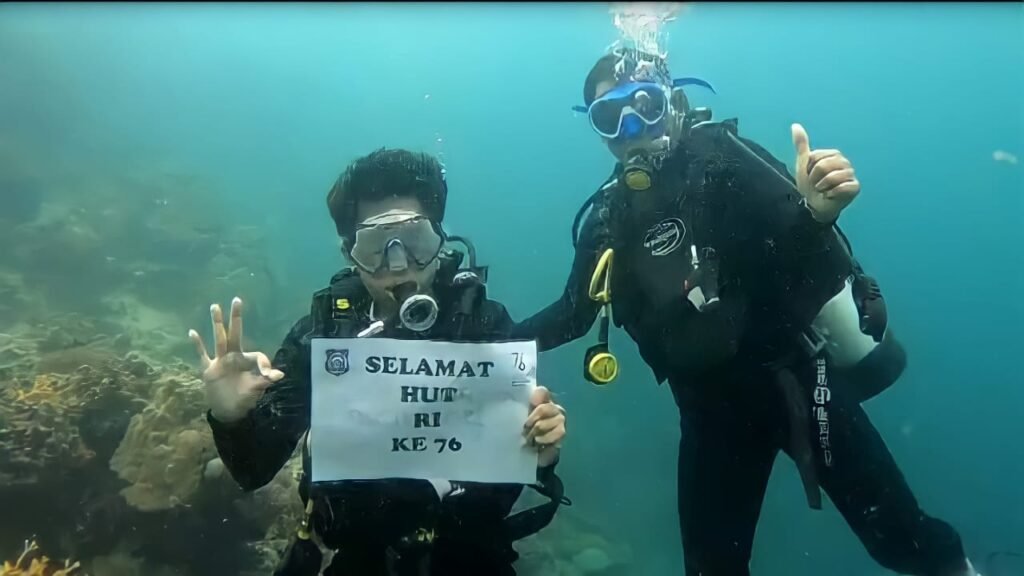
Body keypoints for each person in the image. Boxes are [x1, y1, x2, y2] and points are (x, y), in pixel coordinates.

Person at [511, 47, 978, 576]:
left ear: (673, 101)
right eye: (609, 118)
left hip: (800, 386)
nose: (631, 127)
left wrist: (819, 215)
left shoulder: (727, 162)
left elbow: (817, 275)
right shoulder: (609, 220)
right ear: (598, 132)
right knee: (712, 569)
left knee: (901, 538)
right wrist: (485, 345)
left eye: (644, 104)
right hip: (708, 417)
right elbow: (574, 313)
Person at [188, 149, 569, 576]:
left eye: (415, 241)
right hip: (357, 558)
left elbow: (515, 463)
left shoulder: (484, 324)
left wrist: (542, 452)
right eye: (375, 247)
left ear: (441, 240)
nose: (398, 264)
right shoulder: (324, 333)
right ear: (348, 252)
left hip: (474, 557)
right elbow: (253, 469)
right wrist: (231, 416)